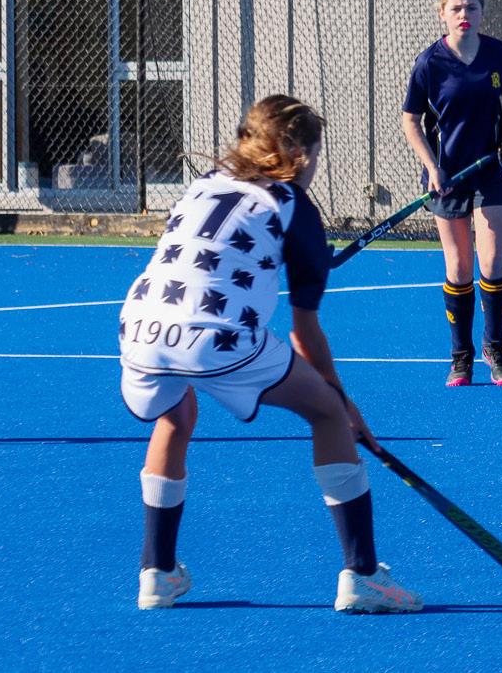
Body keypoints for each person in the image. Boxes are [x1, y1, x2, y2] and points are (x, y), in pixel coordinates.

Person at [120, 95, 422, 613]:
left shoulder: (205, 183)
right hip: (216, 335)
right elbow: (305, 330)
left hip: (142, 328)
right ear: (302, 156)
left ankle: (157, 573)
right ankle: (364, 575)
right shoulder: (293, 206)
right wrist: (342, 402)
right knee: (326, 414)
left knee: (175, 416)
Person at [401, 0, 502, 386]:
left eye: (471, 7)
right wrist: (432, 167)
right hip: (448, 175)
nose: (464, 14)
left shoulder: (498, 54)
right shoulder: (429, 63)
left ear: (481, 13)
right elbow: (411, 120)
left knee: (493, 263)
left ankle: (495, 348)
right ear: (443, 14)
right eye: (456, 8)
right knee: (458, 267)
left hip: (491, 170)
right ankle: (461, 356)